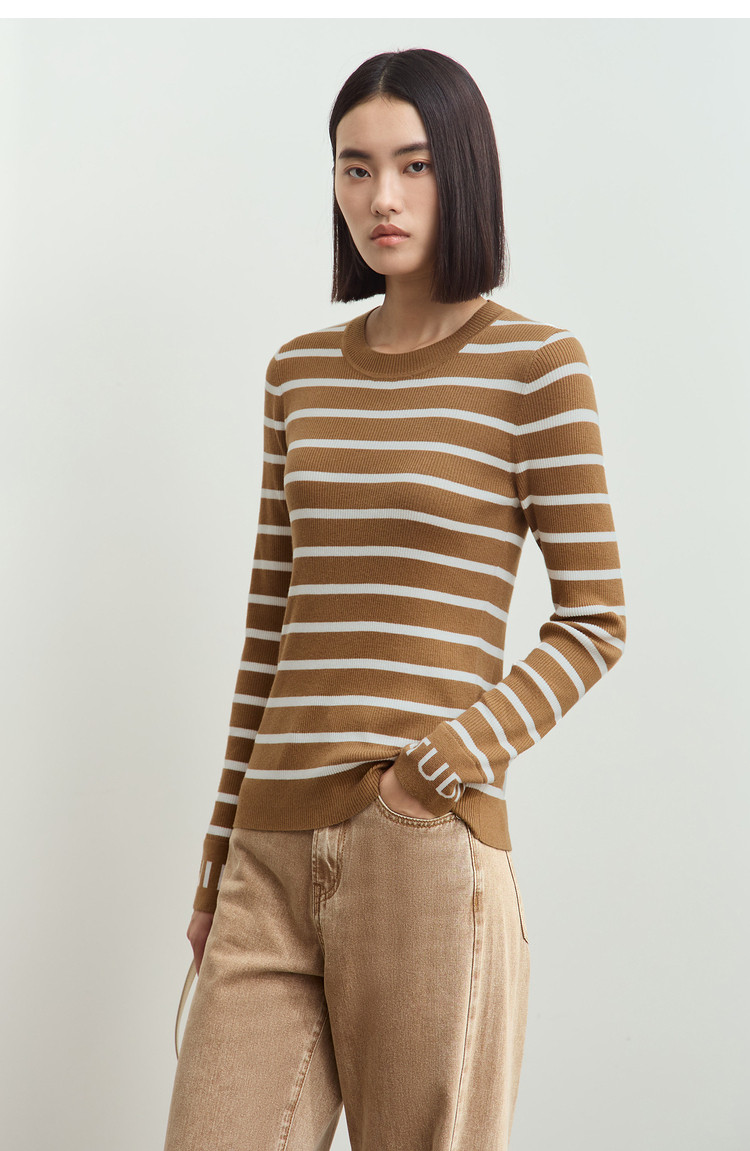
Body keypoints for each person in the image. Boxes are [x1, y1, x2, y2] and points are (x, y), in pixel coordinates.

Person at [163, 47, 626, 1151]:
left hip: (418, 845)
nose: (382, 197)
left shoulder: (537, 367)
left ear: (462, 170)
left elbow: (595, 620)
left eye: (413, 165)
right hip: (269, 849)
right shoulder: (298, 374)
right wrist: (218, 857)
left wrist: (436, 771)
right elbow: (272, 624)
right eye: (356, 167)